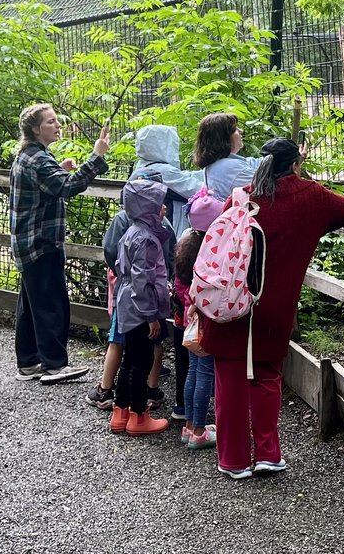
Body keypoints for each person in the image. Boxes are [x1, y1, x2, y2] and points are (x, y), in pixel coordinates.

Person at [201, 138, 344, 480]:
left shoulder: (241, 197)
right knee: (267, 376)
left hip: (230, 305)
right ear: (295, 163)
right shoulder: (312, 197)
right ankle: (268, 454)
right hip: (274, 308)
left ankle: (234, 460)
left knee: (229, 380)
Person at [10, 103, 109, 384]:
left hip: (27, 242)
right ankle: (54, 365)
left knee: (31, 304)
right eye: (51, 122)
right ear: (35, 128)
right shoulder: (39, 159)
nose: (58, 126)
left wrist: (61, 169)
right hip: (42, 241)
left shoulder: (29, 156)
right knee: (51, 303)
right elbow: (67, 188)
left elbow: (52, 184)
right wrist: (96, 156)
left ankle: (29, 363)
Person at [132, 123, 205, 419]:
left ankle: (144, 385)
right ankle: (181, 404)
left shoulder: (139, 171)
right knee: (178, 320)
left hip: (147, 259)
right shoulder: (160, 173)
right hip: (171, 255)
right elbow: (197, 184)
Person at [108, 175, 171, 436]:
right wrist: (151, 317)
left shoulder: (131, 232)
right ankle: (138, 415)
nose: (163, 208)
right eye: (159, 204)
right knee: (141, 362)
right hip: (140, 310)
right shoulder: (146, 238)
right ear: (148, 208)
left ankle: (120, 412)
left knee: (129, 360)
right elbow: (142, 280)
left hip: (126, 304)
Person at [173, 191, 225, 450]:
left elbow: (179, 286)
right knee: (205, 371)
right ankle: (199, 429)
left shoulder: (185, 243)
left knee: (193, 371)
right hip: (203, 319)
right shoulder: (210, 249)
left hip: (186, 320)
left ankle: (188, 427)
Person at [192, 112, 257, 201]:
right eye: (235, 129)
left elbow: (253, 162)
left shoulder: (215, 164)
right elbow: (267, 190)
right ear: (223, 137)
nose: (241, 131)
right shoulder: (230, 167)